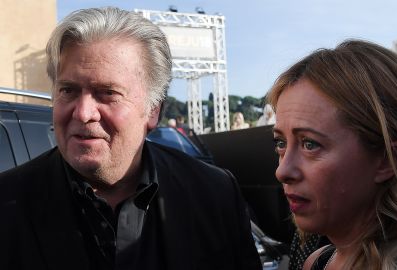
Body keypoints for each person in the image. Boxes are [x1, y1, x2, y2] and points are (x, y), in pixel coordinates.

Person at [0, 7, 261, 270]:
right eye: (68, 90)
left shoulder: (214, 193)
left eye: (107, 93)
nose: (83, 112)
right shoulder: (7, 202)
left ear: (153, 109)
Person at [266, 40, 397, 270]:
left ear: (389, 158)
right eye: (280, 143)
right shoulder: (318, 261)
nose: (282, 171)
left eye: (310, 144)